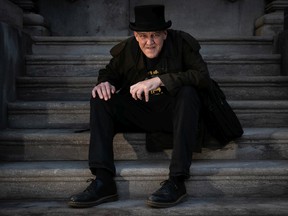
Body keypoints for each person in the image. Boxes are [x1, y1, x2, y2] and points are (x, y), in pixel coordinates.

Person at [68, 4, 210, 208]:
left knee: (189, 92)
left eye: (154, 35)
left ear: (164, 34)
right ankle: (103, 181)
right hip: (142, 113)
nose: (149, 42)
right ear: (136, 36)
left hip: (176, 115)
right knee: (100, 97)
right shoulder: (128, 49)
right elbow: (108, 73)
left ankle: (177, 181)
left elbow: (203, 77)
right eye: (143, 36)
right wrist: (105, 83)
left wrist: (160, 80)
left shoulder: (182, 43)